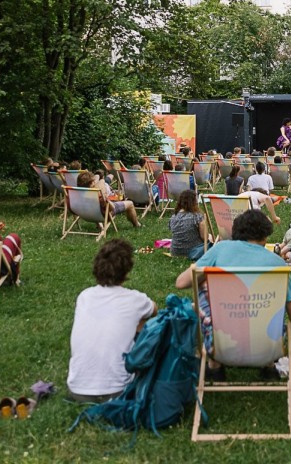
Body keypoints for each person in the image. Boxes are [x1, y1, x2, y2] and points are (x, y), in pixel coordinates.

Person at [175, 210, 291, 374]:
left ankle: (215, 366)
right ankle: (268, 366)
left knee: (205, 286)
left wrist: (208, 273)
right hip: (268, 348)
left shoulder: (220, 249)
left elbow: (181, 282)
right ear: (265, 236)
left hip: (220, 345)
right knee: (271, 303)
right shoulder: (278, 264)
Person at [67, 239, 156, 402]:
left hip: (78, 390)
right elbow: (154, 310)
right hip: (119, 391)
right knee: (144, 323)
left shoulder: (84, 296)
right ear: (127, 269)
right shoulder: (135, 299)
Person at [76, 170, 141, 229]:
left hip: (86, 215)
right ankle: (136, 225)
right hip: (104, 215)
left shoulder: (79, 193)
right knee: (130, 204)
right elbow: (112, 208)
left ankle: (99, 225)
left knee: (95, 206)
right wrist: (108, 200)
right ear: (91, 183)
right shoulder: (98, 194)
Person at [169, 190, 207, 261]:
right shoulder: (197, 216)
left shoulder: (173, 217)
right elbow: (204, 237)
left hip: (175, 251)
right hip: (194, 251)